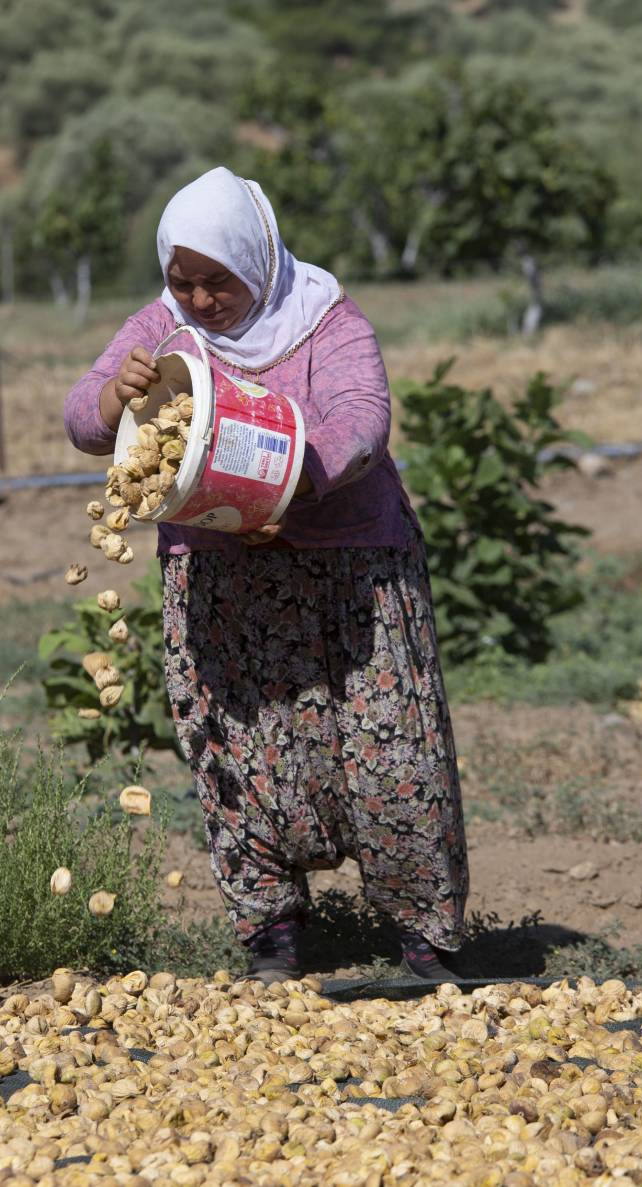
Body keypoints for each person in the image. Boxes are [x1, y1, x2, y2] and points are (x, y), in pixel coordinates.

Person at [65, 167, 468, 984]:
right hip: (223, 578)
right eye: (184, 281)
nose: (202, 300)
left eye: (221, 281)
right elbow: (81, 417)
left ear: (261, 260)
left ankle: (424, 940)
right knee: (239, 747)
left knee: (388, 749)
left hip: (346, 566)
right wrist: (115, 396)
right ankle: (271, 934)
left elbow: (364, 419)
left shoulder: (323, 318)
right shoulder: (162, 325)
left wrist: (289, 482)